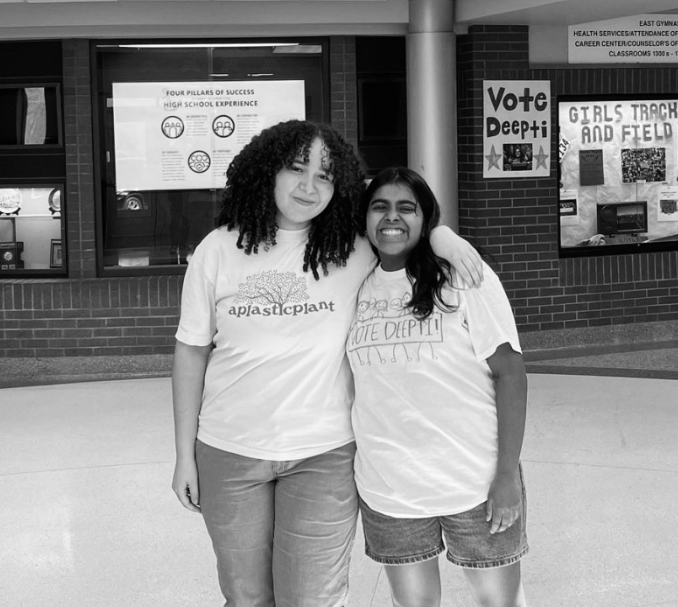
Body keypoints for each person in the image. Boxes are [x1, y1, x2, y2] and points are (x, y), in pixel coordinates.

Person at [170, 120, 484, 607]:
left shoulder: (352, 247)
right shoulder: (216, 251)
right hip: (229, 450)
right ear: (265, 173)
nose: (308, 187)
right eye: (296, 170)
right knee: (245, 596)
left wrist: (443, 236)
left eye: (324, 175)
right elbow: (191, 351)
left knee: (313, 598)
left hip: (325, 453)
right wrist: (183, 455)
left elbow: (399, 219)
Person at [348, 167, 529, 607]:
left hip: (473, 480)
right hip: (390, 487)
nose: (392, 218)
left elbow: (511, 373)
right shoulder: (353, 281)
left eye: (406, 208)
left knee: (499, 603)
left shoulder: (462, 275)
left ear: (425, 218)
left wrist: (507, 475)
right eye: (380, 207)